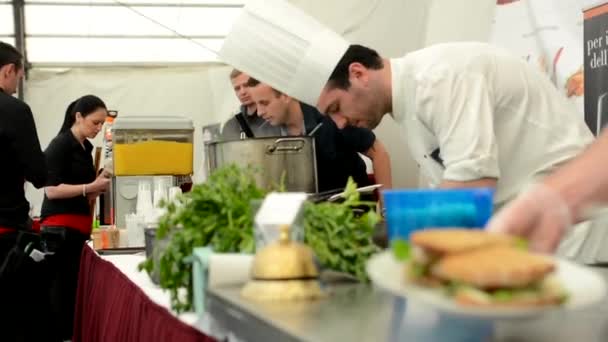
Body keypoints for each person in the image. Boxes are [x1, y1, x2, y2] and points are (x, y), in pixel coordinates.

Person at [218, 0, 593, 208]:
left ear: (359, 73)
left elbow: (472, 182)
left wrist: (405, 233)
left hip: (576, 237)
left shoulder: (440, 76)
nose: (341, 124)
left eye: (335, 108)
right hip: (535, 235)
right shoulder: (408, 103)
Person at [40, 95, 110, 340]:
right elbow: (51, 190)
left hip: (77, 230)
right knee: (62, 291)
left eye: (102, 124)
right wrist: (89, 187)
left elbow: (85, 189)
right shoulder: (60, 145)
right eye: (95, 122)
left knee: (73, 290)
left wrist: (95, 188)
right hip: (60, 231)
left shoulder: (86, 148)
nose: (99, 128)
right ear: (78, 117)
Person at [247, 77, 392, 193]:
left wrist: (387, 211)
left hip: (352, 213)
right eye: (256, 104)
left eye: (264, 103)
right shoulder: (264, 133)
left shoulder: (331, 114)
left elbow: (379, 153)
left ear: (285, 95)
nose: (259, 112)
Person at [487, 128, 608, 252]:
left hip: (585, 239)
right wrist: (553, 201)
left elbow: (476, 190)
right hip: (554, 233)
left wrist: (552, 201)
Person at [0, 41, 50, 341]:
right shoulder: (14, 110)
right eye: (19, 77)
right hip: (5, 235)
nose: (18, 84)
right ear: (8, 70)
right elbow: (39, 174)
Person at [220, 69, 280, 140]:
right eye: (237, 88)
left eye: (246, 85)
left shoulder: (273, 118)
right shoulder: (231, 126)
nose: (242, 92)